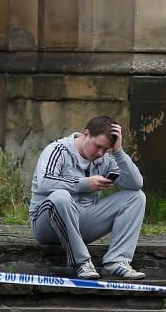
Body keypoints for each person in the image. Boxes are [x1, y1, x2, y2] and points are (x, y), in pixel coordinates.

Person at [29, 116, 147, 280]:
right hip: (46, 224)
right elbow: (44, 183)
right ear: (86, 134)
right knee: (61, 197)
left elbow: (135, 183)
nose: (100, 153)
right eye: (98, 146)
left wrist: (119, 152)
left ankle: (117, 262)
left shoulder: (104, 158)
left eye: (106, 149)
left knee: (136, 197)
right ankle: (81, 263)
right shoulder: (57, 149)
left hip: (83, 220)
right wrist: (84, 184)